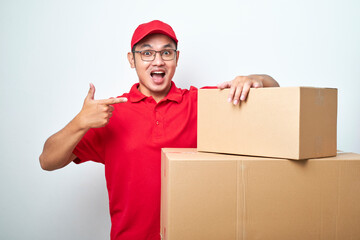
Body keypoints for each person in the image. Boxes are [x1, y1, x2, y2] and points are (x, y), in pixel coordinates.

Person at [39, 20, 279, 240]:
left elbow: (274, 92)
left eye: (166, 52)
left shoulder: (198, 103)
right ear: (131, 60)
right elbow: (47, 161)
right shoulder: (111, 113)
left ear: (176, 58)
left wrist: (253, 78)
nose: (158, 61)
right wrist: (79, 122)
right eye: (146, 53)